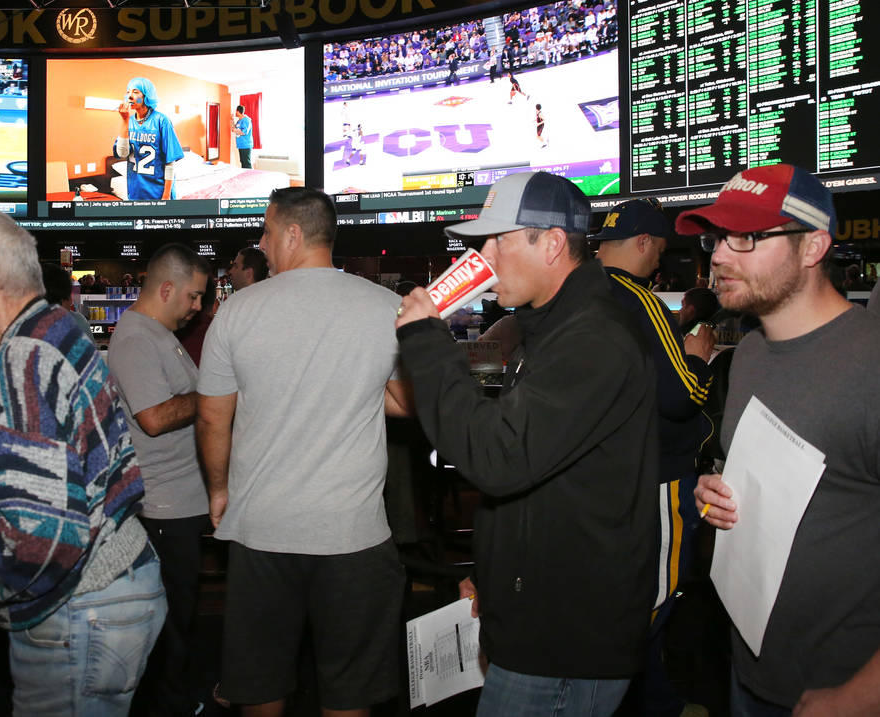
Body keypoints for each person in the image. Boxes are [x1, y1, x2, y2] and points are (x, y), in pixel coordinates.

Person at [395, 171, 659, 717]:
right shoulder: (556, 330)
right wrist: (493, 575)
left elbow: (499, 458)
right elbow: (540, 477)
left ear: (553, 244)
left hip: (565, 642)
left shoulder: (593, 340)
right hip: (542, 615)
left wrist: (426, 342)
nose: (484, 256)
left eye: (498, 240)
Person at [0, 209, 166, 717]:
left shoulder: (24, 361)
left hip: (80, 610)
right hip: (116, 586)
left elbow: (36, 546)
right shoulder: (59, 326)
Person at [197, 187, 411, 716]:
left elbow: (211, 416)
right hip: (354, 536)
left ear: (292, 234)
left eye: (267, 233)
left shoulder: (238, 311)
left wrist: (219, 490)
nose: (262, 245)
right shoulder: (385, 307)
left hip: (264, 531)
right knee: (348, 691)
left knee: (261, 683)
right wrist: (349, 390)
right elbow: (406, 403)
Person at [685, 163, 880, 717]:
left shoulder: (871, 366)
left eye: (746, 237)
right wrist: (718, 493)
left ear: (814, 246)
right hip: (751, 676)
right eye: (717, 237)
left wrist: (857, 698)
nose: (720, 255)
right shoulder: (747, 356)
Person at [593, 198, 715, 717]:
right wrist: (700, 360)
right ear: (643, 244)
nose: (659, 265)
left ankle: (657, 697)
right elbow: (681, 395)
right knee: (655, 599)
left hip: (602, 476)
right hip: (657, 474)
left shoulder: (576, 292)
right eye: (659, 251)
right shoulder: (638, 299)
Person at [108, 244, 210, 717]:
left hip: (178, 500)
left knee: (176, 619)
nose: (196, 307)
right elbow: (152, 417)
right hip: (162, 507)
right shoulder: (135, 339)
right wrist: (213, 396)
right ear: (166, 289)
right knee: (165, 624)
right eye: (192, 296)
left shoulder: (158, 333)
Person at [114, 77, 184, 201]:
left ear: (146, 96)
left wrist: (166, 196)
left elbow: (170, 163)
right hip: (135, 192)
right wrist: (124, 120)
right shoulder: (128, 121)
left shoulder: (162, 121)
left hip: (158, 191)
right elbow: (122, 153)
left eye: (135, 92)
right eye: (128, 92)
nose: (130, 96)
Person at [40, 263, 94, 342]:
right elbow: (92, 351)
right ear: (64, 299)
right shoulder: (76, 321)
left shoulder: (23, 325)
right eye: (70, 295)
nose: (71, 301)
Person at [231, 104, 253, 169]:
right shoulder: (239, 121)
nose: (235, 113)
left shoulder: (246, 120)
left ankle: (250, 177)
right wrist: (232, 120)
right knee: (242, 162)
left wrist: (235, 130)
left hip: (246, 144)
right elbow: (234, 128)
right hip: (241, 145)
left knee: (246, 163)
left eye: (236, 111)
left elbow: (244, 132)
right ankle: (245, 177)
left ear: (238, 111)